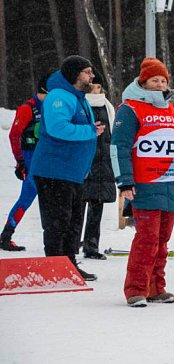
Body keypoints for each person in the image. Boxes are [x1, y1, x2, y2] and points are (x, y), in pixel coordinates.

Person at [111, 57, 174, 307]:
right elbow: (119, 146)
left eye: (163, 80)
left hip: (171, 184)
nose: (160, 84)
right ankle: (136, 289)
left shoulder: (171, 110)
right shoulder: (130, 109)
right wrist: (124, 181)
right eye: (154, 80)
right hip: (146, 183)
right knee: (146, 239)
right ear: (143, 82)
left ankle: (156, 287)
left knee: (162, 240)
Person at [29, 56, 103, 281]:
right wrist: (90, 131)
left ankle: (69, 264)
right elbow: (58, 128)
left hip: (73, 172)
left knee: (73, 222)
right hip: (54, 170)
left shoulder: (79, 98)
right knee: (57, 222)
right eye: (87, 72)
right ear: (74, 74)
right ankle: (54, 266)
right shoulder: (59, 97)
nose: (92, 76)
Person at [1, 75, 48, 251]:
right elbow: (14, 135)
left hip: (46, 158)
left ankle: (57, 236)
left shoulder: (50, 106)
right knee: (27, 197)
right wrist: (20, 161)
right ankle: (6, 234)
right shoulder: (27, 108)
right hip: (30, 158)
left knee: (51, 200)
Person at [81, 69, 117, 259]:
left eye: (99, 88)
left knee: (97, 208)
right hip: (85, 163)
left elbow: (112, 137)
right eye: (93, 88)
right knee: (77, 208)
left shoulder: (108, 107)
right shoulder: (81, 105)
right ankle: (71, 244)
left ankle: (91, 246)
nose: (96, 91)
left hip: (103, 165)